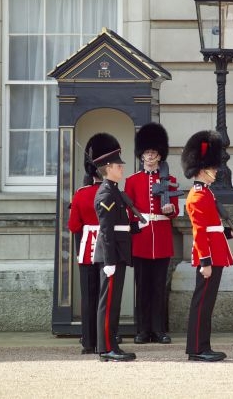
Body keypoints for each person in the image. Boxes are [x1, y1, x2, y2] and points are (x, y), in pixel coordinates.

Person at [181, 130, 233, 362]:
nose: (216, 171)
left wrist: (229, 233)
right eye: (213, 168)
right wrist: (204, 262)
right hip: (208, 258)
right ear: (201, 169)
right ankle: (197, 348)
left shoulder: (206, 194)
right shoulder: (197, 196)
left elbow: (212, 228)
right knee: (202, 304)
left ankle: (202, 346)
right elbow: (199, 233)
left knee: (207, 305)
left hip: (215, 254)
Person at [124, 122, 180, 344]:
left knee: (159, 288)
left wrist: (171, 209)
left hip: (162, 239)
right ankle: (142, 330)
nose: (150, 156)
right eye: (147, 152)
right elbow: (128, 212)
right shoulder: (132, 181)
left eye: (154, 152)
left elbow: (175, 210)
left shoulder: (170, 180)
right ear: (141, 155)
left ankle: (159, 330)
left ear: (159, 155)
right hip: (141, 240)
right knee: (142, 287)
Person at [93, 135, 137, 362]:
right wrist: (109, 261)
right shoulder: (106, 193)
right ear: (108, 168)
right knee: (108, 302)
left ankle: (112, 344)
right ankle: (106, 348)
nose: (122, 169)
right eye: (119, 166)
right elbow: (107, 230)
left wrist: (135, 226)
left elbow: (120, 226)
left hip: (118, 253)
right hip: (111, 255)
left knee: (114, 301)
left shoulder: (115, 191)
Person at [68, 134, 103, 355]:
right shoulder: (114, 193)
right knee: (105, 295)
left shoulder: (81, 194)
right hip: (109, 247)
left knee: (88, 295)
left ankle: (88, 340)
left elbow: (73, 226)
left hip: (87, 248)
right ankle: (104, 338)